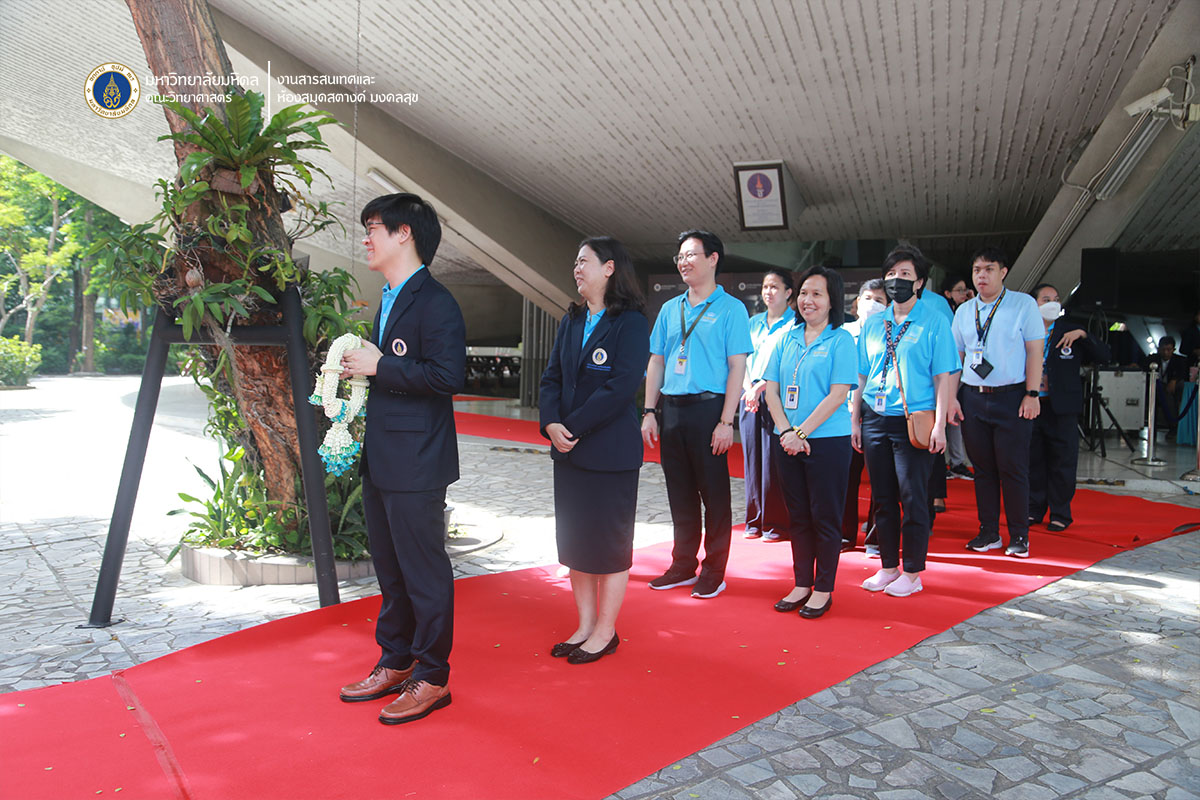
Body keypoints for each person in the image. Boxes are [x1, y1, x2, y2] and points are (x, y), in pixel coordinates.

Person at [338, 193, 465, 725]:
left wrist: (379, 366)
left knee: (423, 572)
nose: (366, 238)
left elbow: (448, 376)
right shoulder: (389, 297)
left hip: (417, 460)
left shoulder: (435, 302)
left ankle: (432, 676)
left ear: (404, 233)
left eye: (373, 227)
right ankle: (395, 660)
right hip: (383, 455)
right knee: (390, 571)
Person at [539, 237, 650, 664]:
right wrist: (551, 422)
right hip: (569, 451)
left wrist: (572, 426)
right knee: (576, 544)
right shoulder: (572, 319)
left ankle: (606, 631)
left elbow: (621, 387)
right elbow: (551, 377)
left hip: (610, 454)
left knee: (609, 544)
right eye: (575, 261)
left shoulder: (631, 323)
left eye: (584, 261)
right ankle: (585, 625)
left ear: (609, 268)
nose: (576, 268)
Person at [642, 230, 753, 600]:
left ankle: (714, 570)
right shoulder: (670, 309)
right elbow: (657, 361)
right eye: (680, 256)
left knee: (714, 496)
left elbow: (737, 367)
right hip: (672, 410)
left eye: (691, 254)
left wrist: (726, 421)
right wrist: (649, 411)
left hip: (709, 410)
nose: (683, 262)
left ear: (713, 258)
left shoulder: (731, 309)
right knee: (680, 492)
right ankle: (682, 564)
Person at [852, 245, 959, 597]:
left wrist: (940, 425)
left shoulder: (934, 321)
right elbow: (862, 376)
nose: (896, 280)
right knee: (882, 498)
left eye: (905, 275)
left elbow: (943, 377)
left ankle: (912, 572)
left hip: (914, 421)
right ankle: (888, 567)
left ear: (920, 282)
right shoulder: (875, 323)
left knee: (913, 497)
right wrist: (855, 420)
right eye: (891, 274)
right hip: (874, 417)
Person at [762, 265, 856, 618]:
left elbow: (838, 394)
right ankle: (802, 582)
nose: (807, 300)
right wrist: (787, 431)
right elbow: (771, 390)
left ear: (832, 300)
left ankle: (823, 588)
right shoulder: (785, 338)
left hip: (827, 441)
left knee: (825, 517)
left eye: (817, 293)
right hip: (786, 441)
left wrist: (800, 433)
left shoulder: (841, 340)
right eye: (803, 293)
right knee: (798, 516)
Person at [952, 246, 1044, 559]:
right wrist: (951, 399)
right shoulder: (965, 311)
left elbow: (1035, 351)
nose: (982, 276)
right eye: (977, 270)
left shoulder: (1022, 304)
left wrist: (1032, 394)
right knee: (982, 469)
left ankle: (1019, 535)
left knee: (1013, 468)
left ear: (1003, 272)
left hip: (1012, 397)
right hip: (973, 397)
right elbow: (957, 357)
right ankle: (988, 531)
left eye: (989, 269)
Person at [1028, 283, 1111, 532]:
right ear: (1034, 304)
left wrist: (1083, 335)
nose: (1052, 303)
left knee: (1063, 461)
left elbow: (1104, 355)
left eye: (1056, 299)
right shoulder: (1024, 329)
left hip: (1062, 407)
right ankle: (1033, 508)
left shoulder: (1069, 330)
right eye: (1046, 299)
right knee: (1033, 460)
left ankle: (1060, 512)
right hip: (1032, 404)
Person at [741, 269, 795, 543]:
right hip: (749, 395)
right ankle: (754, 520)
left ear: (788, 292)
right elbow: (740, 359)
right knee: (751, 458)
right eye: (765, 287)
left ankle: (775, 523)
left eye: (775, 287)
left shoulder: (795, 324)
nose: (768, 292)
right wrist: (749, 388)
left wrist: (760, 387)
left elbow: (786, 365)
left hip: (776, 394)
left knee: (773, 460)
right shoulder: (753, 323)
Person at [841, 279, 886, 552]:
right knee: (846, 477)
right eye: (868, 298)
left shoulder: (888, 333)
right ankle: (844, 534)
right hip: (840, 414)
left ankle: (876, 536)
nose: (872, 305)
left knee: (881, 477)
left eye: (879, 300)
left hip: (876, 411)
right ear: (857, 302)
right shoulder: (842, 332)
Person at [1139, 336, 1189, 439]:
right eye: (1163, 349)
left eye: (1168, 350)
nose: (1166, 353)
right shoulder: (1152, 359)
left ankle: (1173, 426)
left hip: (1172, 388)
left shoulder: (1180, 361)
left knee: (1168, 396)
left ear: (1173, 350)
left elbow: (1182, 374)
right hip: (1156, 388)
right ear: (1159, 349)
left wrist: (1174, 380)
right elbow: (1143, 368)